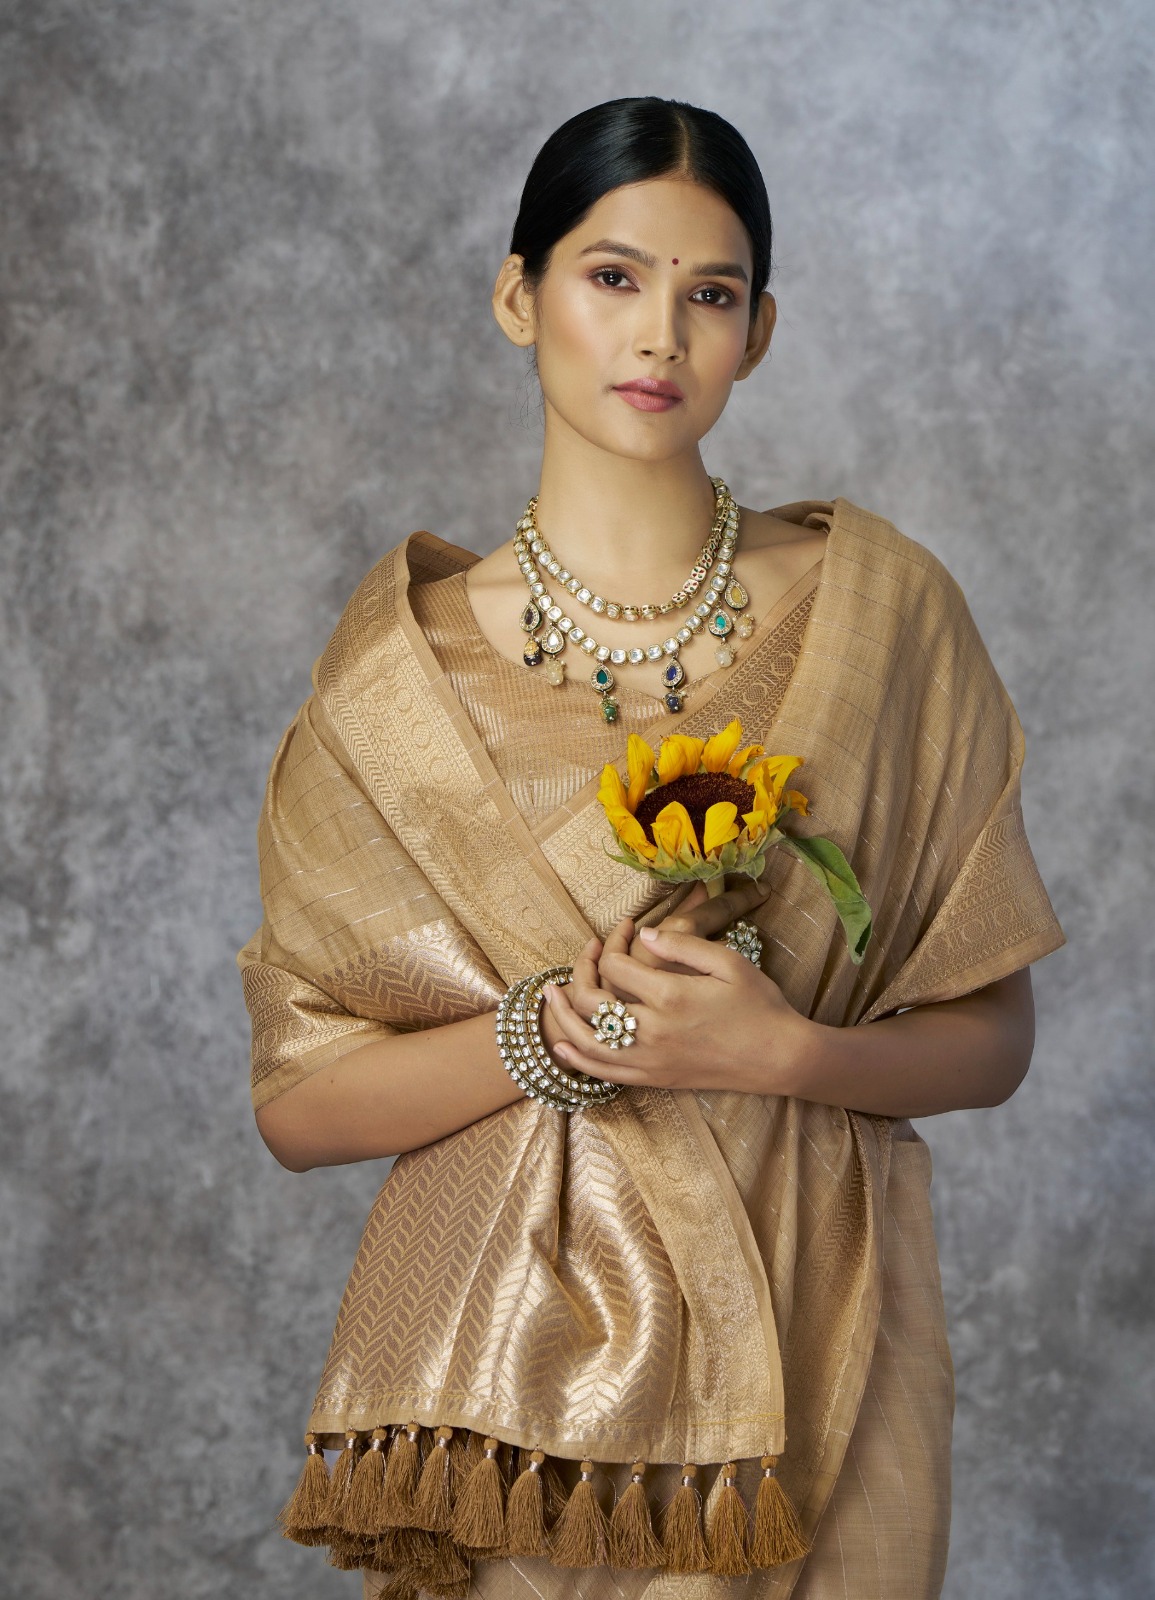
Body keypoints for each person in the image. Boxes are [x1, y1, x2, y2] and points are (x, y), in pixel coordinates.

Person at [238, 97, 1065, 1600]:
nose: (660, 336)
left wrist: (784, 1054)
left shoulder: (880, 619)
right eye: (612, 276)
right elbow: (299, 1106)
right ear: (519, 297)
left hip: (818, 1345)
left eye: (712, 294)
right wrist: (555, 1035)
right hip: (513, 1401)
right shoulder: (395, 688)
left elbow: (994, 1037)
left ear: (759, 332)